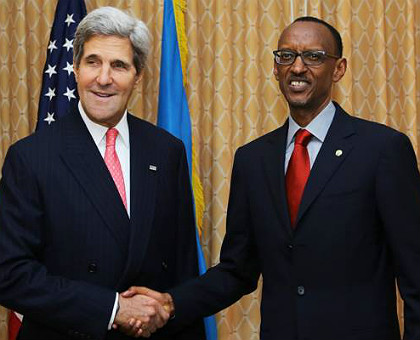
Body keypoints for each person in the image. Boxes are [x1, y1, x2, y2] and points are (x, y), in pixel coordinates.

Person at [124, 16, 420, 340]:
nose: (297, 67)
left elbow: (415, 272)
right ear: (275, 68)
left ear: (339, 69)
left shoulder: (382, 150)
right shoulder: (253, 160)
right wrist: (171, 302)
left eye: (314, 56)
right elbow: (238, 270)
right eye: (286, 56)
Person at [0, 6, 204, 340]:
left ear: (137, 76)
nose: (104, 78)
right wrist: (111, 308)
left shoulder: (166, 151)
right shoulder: (31, 157)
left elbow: (182, 271)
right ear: (76, 68)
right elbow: (10, 274)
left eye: (119, 66)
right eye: (93, 62)